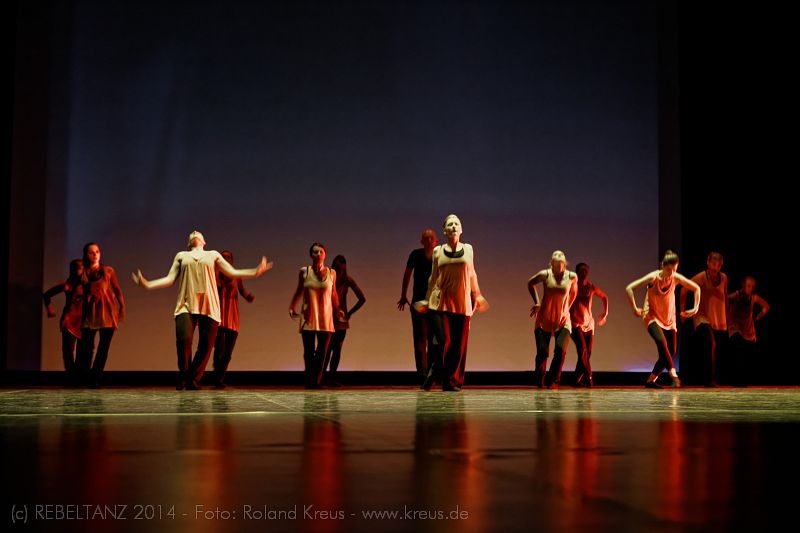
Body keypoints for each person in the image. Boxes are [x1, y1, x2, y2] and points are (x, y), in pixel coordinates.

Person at [132, 231, 270, 390]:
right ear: (189, 243)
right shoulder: (181, 256)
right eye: (191, 234)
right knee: (184, 340)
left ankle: (191, 379)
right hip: (186, 304)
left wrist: (255, 271)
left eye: (197, 233)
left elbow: (233, 272)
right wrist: (148, 284)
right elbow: (170, 279)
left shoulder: (213, 255)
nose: (194, 233)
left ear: (204, 242)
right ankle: (184, 375)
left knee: (206, 346)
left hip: (209, 305)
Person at [417, 214, 488, 392]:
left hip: (462, 302)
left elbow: (472, 274)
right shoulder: (438, 251)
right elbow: (433, 278)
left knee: (458, 346)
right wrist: (426, 298)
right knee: (443, 341)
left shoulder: (468, 249)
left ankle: (451, 382)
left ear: (461, 229)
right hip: (440, 301)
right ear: (445, 231)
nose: (454, 226)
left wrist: (478, 295)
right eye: (450, 224)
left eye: (457, 224)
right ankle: (435, 370)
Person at [625, 250, 701, 389]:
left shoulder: (675, 278)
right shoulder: (653, 277)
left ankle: (650, 381)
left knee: (670, 351)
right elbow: (629, 288)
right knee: (662, 342)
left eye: (674, 270)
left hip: (669, 318)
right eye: (669, 270)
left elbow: (696, 288)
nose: (671, 273)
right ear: (663, 266)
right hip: (651, 315)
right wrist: (635, 308)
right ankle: (674, 376)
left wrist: (695, 308)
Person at [289, 242, 342, 389]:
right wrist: (292, 306)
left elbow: (334, 294)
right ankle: (310, 382)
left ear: (325, 254)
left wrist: (338, 309)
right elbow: (299, 290)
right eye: (315, 252)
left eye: (321, 252)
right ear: (311, 255)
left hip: (325, 317)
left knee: (322, 353)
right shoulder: (304, 271)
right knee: (308, 352)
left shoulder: (332, 273)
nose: (318, 254)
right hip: (309, 316)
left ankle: (316, 382)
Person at [76, 243, 126, 388]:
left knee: (103, 348)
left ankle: (95, 378)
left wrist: (122, 306)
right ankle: (84, 376)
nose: (95, 254)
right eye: (91, 252)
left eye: (97, 251)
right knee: (87, 347)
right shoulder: (82, 271)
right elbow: (77, 290)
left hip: (107, 312)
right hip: (90, 312)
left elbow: (117, 289)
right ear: (86, 254)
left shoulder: (108, 271)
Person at [528, 251, 578, 389]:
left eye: (561, 254)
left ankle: (553, 380)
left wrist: (566, 308)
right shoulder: (545, 274)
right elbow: (530, 283)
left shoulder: (572, 276)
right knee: (543, 353)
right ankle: (540, 379)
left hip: (563, 320)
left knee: (560, 350)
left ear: (565, 261)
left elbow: (574, 293)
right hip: (544, 318)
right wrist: (537, 302)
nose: (559, 254)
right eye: (556, 254)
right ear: (551, 262)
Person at [211, 250, 257, 389]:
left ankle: (220, 377)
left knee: (228, 352)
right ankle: (216, 377)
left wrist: (248, 296)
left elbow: (241, 290)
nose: (225, 259)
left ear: (232, 260)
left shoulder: (236, 276)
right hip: (218, 317)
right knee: (219, 348)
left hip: (232, 317)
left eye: (228, 257)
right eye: (223, 257)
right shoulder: (215, 275)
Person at [397, 229, 438, 384]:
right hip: (418, 302)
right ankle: (422, 374)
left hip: (435, 304)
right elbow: (407, 274)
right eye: (426, 238)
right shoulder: (415, 255)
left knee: (434, 340)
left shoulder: (439, 255)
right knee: (420, 339)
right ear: (421, 241)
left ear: (436, 241)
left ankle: (432, 373)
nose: (429, 240)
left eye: (431, 238)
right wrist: (403, 295)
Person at [680, 251, 727, 387]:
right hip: (702, 316)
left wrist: (727, 317)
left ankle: (710, 378)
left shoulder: (724, 278)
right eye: (713, 264)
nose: (715, 268)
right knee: (710, 343)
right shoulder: (701, 277)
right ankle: (709, 380)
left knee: (712, 347)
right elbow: (684, 290)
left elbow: (725, 296)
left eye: (718, 265)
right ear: (708, 262)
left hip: (716, 317)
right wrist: (682, 312)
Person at [322, 255, 366, 386]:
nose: (338, 270)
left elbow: (362, 299)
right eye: (336, 268)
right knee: (327, 350)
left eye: (339, 268)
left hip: (340, 321)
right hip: (329, 318)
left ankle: (330, 378)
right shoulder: (328, 278)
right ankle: (322, 378)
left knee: (335, 350)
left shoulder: (347, 280)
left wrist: (350, 312)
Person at [42, 259, 85, 385]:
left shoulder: (87, 285)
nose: (78, 270)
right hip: (69, 319)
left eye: (80, 267)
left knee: (83, 351)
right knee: (68, 350)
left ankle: (78, 376)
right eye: (76, 267)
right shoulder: (67, 285)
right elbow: (46, 295)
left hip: (83, 320)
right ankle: (71, 376)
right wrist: (49, 308)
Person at [569, 262, 608, 388]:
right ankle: (590, 376)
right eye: (582, 270)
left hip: (589, 324)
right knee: (583, 350)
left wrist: (605, 313)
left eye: (586, 270)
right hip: (575, 323)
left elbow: (604, 297)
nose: (584, 272)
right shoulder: (572, 286)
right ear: (577, 273)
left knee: (588, 352)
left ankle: (576, 379)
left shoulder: (591, 287)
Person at [727, 276, 770, 387]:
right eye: (748, 285)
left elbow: (766, 306)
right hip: (735, 327)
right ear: (743, 285)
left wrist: (758, 317)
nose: (749, 288)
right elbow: (725, 300)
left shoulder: (753, 298)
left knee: (745, 355)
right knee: (738, 350)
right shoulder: (736, 295)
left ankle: (742, 380)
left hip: (747, 329)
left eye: (751, 286)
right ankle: (736, 380)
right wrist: (727, 313)